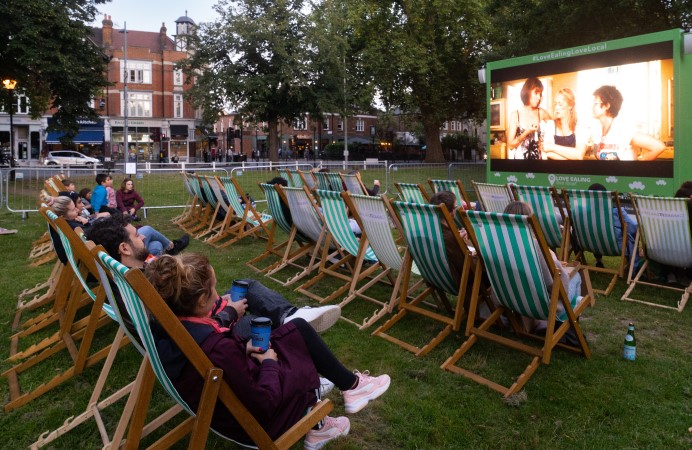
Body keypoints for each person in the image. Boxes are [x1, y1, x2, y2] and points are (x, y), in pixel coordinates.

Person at [144, 253, 390, 448]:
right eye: (214, 288)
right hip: (255, 423)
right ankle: (327, 416)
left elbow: (229, 361)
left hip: (222, 405)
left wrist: (245, 347)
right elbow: (265, 403)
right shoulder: (218, 348)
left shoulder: (167, 328)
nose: (219, 295)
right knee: (296, 341)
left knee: (294, 330)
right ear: (200, 301)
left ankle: (352, 386)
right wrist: (269, 363)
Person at [85, 215, 341, 335]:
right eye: (136, 235)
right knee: (256, 323)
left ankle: (291, 316)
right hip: (210, 332)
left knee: (247, 286)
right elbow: (184, 326)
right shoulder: (140, 284)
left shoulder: (124, 276)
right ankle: (294, 335)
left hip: (205, 315)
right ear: (124, 248)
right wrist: (227, 313)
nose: (142, 236)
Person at [502, 201, 585, 342]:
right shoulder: (535, 246)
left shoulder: (498, 243)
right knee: (576, 275)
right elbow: (556, 285)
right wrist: (554, 260)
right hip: (540, 305)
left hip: (509, 298)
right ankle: (563, 324)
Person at [591, 85, 666, 161]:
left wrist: (636, 168)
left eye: (595, 103)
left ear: (607, 105)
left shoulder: (623, 129)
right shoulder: (598, 129)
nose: (592, 107)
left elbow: (658, 147)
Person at [587, 183, 638, 269]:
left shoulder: (581, 213)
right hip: (616, 247)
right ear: (606, 197)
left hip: (589, 244)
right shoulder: (617, 211)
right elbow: (633, 228)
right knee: (632, 234)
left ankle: (598, 260)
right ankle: (629, 265)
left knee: (596, 232)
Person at [506, 77, 552, 160]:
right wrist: (526, 132)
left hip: (538, 163)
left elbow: (554, 128)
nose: (539, 97)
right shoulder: (516, 114)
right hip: (520, 165)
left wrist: (544, 140)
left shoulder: (541, 112)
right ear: (527, 92)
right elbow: (510, 145)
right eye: (536, 93)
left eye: (540, 94)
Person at [542, 88, 588, 160]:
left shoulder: (580, 126)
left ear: (570, 106)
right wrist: (572, 157)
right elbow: (545, 151)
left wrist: (552, 148)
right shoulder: (550, 125)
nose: (556, 107)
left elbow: (579, 155)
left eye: (560, 104)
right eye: (555, 104)